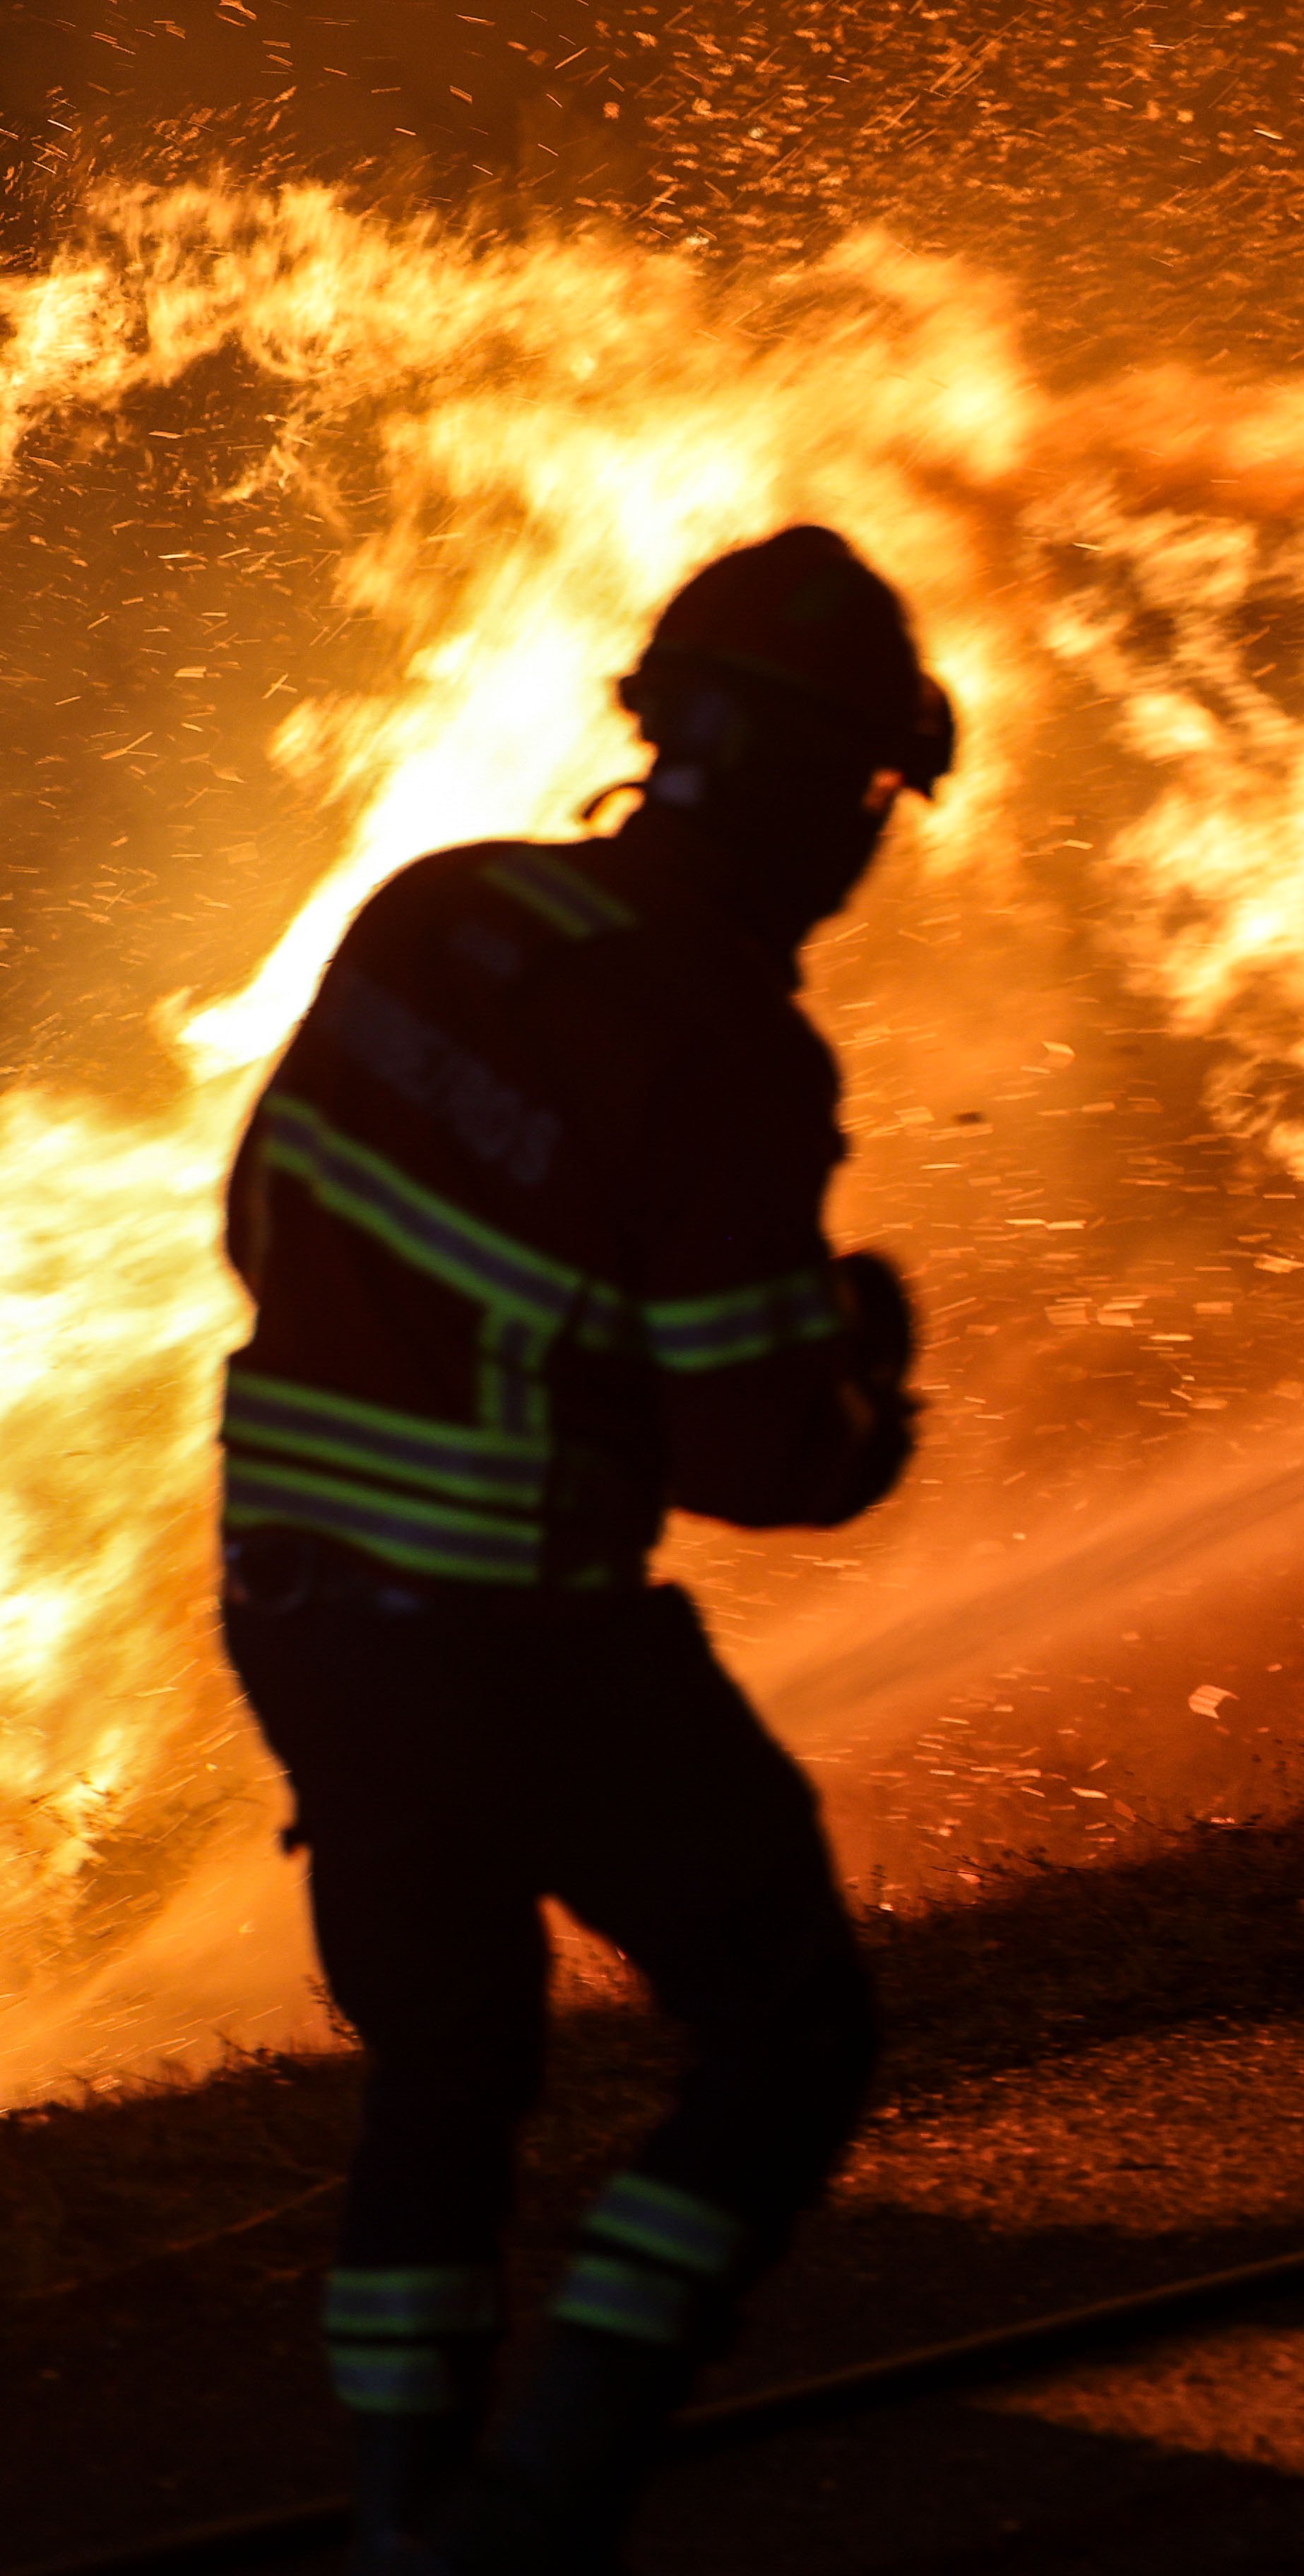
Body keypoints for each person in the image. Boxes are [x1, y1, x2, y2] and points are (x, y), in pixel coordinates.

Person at [216, 525, 948, 2570]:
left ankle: (408, 2526)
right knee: (791, 2030)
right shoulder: (724, 1043)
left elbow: (266, 1218)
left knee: (448, 2064)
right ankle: (541, 2507)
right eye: (872, 794)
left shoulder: (439, 913)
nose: (867, 842)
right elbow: (760, 1457)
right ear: (825, 795)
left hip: (298, 1609)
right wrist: (867, 1392)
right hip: (513, 1644)